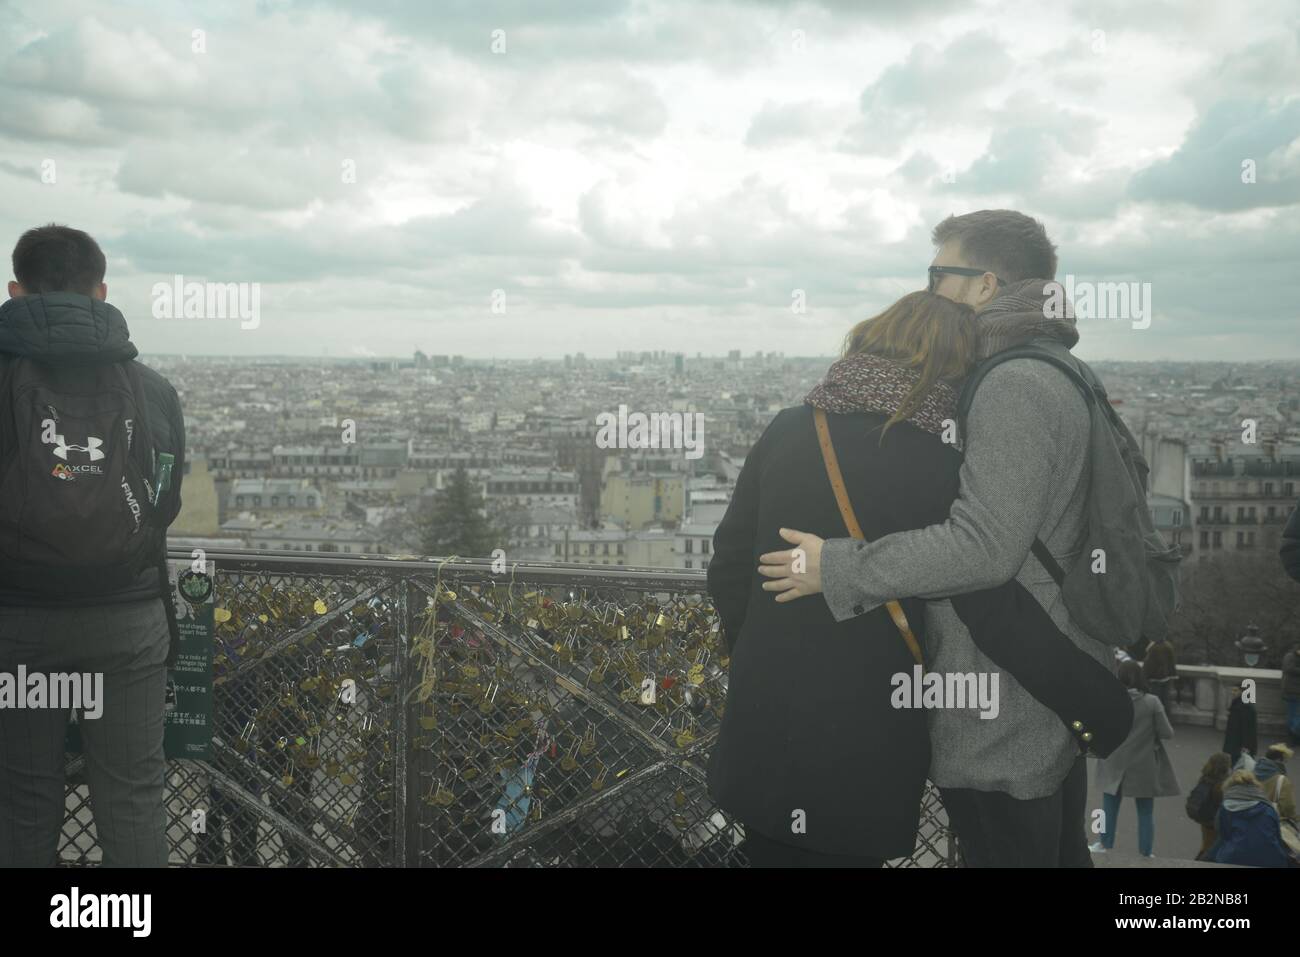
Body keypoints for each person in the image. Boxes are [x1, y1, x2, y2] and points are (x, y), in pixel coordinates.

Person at [707, 291, 1131, 868]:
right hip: (869, 720)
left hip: (767, 711)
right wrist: (1090, 697)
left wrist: (756, 649)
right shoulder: (938, 458)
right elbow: (983, 597)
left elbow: (729, 562)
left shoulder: (788, 428)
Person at [0, 224, 186, 867]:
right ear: (102, 292)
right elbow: (164, 505)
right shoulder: (153, 389)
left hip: (14, 622)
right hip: (126, 620)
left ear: (15, 290)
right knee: (133, 795)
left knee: (22, 799)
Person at [1089, 661, 1179, 857]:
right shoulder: (1152, 702)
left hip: (1113, 761)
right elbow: (1167, 733)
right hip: (1143, 764)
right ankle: (1146, 852)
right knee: (1145, 812)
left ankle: (1103, 844)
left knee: (1109, 808)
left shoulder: (1109, 700)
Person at [1206, 770, 1290, 868]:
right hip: (1271, 859)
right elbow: (1277, 835)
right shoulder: (1268, 808)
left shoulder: (1225, 808)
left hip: (1234, 858)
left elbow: (1223, 835)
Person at [1188, 752, 1232, 859]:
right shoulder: (1221, 785)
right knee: (1211, 849)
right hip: (1214, 822)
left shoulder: (1205, 778)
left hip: (1205, 820)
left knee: (1206, 844)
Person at [1253, 743, 1296, 820]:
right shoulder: (1282, 780)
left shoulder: (1250, 774)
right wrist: (1293, 818)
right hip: (1271, 821)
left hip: (1251, 818)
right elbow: (1288, 806)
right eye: (1285, 760)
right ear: (1279, 760)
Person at [1223, 682, 1258, 766]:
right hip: (1237, 744)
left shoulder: (1245, 707)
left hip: (1240, 745)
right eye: (1232, 690)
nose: (1233, 693)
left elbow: (1248, 730)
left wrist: (1246, 746)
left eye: (1235, 690)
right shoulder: (1240, 704)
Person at [1142, 637, 1178, 712]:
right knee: (1165, 702)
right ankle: (1166, 720)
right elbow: (1172, 663)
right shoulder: (1168, 646)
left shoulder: (1153, 648)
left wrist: (1144, 678)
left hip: (1155, 680)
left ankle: (1157, 722)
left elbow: (1148, 666)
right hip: (1166, 678)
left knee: (1155, 704)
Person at [1282, 640, 1300, 747]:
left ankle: (1293, 735)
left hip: (1293, 690)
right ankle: (1294, 734)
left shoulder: (1291, 656)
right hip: (1293, 690)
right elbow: (1288, 668)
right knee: (1294, 715)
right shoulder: (1290, 656)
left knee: (1293, 714)